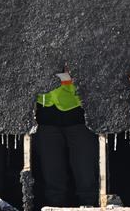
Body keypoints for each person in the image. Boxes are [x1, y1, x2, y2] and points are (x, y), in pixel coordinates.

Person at [36, 70, 98, 206]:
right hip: (46, 117)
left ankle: (89, 205)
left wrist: (64, 77)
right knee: (51, 171)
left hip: (79, 116)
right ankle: (54, 205)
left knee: (85, 171)